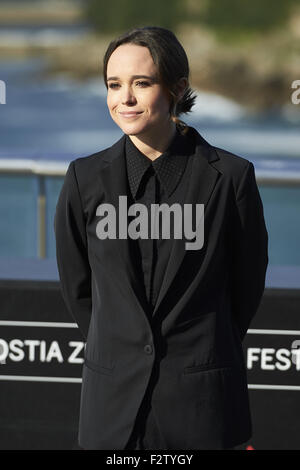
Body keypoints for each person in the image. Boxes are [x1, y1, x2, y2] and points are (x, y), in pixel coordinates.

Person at [54, 26, 268, 450]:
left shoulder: (231, 178)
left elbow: (246, 288)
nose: (124, 99)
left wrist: (201, 354)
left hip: (202, 407)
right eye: (114, 85)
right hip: (111, 413)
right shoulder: (83, 179)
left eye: (142, 83)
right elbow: (79, 289)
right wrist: (120, 346)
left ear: (178, 88)